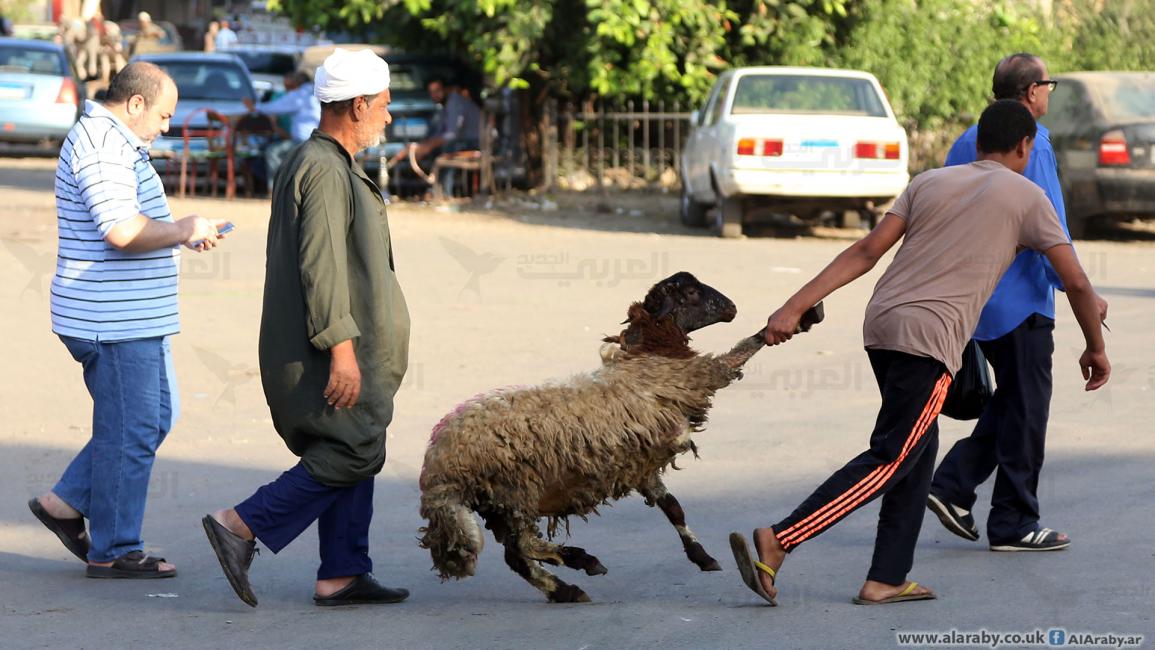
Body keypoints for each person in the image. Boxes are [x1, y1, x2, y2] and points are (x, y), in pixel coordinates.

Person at [729, 100, 1110, 607]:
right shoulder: (1028, 196)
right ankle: (781, 538)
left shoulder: (929, 181)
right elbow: (1077, 282)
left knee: (917, 449)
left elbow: (866, 251)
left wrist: (795, 305)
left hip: (883, 323)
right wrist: (1096, 347)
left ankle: (886, 577)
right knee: (892, 456)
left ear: (977, 143)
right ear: (1025, 146)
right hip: (928, 338)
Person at [202, 48, 411, 607]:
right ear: (359, 104)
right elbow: (319, 268)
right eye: (385, 107)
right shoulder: (321, 168)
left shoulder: (331, 162)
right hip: (327, 348)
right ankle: (240, 524)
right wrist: (341, 350)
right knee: (351, 450)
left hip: (344, 343)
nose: (389, 118)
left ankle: (342, 572)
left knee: (357, 440)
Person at [28, 62, 227, 579]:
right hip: (112, 320)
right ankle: (115, 548)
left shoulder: (115, 141)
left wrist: (182, 232)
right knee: (132, 429)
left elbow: (130, 222)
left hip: (131, 316)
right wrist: (181, 228)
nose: (166, 127)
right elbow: (118, 229)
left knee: (152, 417)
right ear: (135, 104)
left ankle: (65, 502)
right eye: (163, 115)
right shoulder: (102, 144)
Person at [927, 54, 1102, 553]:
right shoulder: (1034, 143)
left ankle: (954, 485)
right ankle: (1013, 521)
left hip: (972, 295)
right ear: (1030, 93)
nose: (1050, 91)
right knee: (1027, 409)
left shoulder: (970, 138)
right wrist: (1079, 290)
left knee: (1015, 401)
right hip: (1020, 299)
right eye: (1048, 83)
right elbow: (1049, 230)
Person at [387, 76, 481, 194]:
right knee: (434, 147)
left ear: (446, 89)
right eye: (431, 92)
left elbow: (452, 134)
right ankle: (432, 189)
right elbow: (437, 133)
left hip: (473, 142)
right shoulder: (442, 107)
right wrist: (420, 146)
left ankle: (444, 193)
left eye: (437, 91)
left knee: (446, 150)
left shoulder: (455, 102)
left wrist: (429, 146)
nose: (434, 95)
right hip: (460, 142)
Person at [239, 70, 321, 181]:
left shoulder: (299, 96)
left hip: (302, 142)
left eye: (289, 86)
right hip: (315, 141)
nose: (287, 90)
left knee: (272, 152)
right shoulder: (315, 93)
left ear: (296, 85)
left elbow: (275, 108)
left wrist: (255, 107)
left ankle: (274, 188)